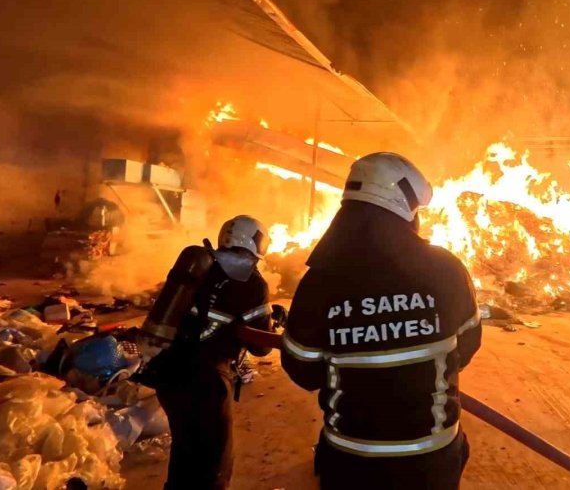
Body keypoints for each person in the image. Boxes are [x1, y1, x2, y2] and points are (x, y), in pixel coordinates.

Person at [281, 153, 482, 490]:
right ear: (404, 205)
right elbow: (468, 344)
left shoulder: (319, 281)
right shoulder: (445, 269)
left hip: (351, 461)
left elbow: (302, 369)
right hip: (430, 460)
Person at [142, 215, 274, 489]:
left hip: (168, 370)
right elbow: (261, 347)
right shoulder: (252, 282)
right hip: (206, 381)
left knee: (184, 451)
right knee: (214, 464)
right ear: (256, 242)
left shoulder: (202, 266)